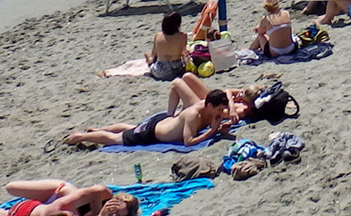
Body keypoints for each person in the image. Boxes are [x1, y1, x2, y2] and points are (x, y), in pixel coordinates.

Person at [63, 91, 230, 148]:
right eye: (219, 109)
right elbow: (189, 142)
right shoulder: (194, 114)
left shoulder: (211, 111)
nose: (221, 113)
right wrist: (212, 131)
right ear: (208, 105)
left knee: (131, 127)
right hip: (154, 132)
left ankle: (99, 130)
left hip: (163, 122)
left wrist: (220, 129)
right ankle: (80, 137)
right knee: (115, 139)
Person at [1, 179, 146, 216]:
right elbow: (72, 205)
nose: (114, 214)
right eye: (116, 210)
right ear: (117, 199)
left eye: (118, 215)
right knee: (11, 188)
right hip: (56, 192)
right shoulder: (104, 195)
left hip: (49, 208)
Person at [147, 10, 188, 81]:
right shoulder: (183, 36)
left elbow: (153, 55)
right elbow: (184, 54)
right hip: (176, 71)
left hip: (159, 71)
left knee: (151, 60)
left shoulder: (158, 36)